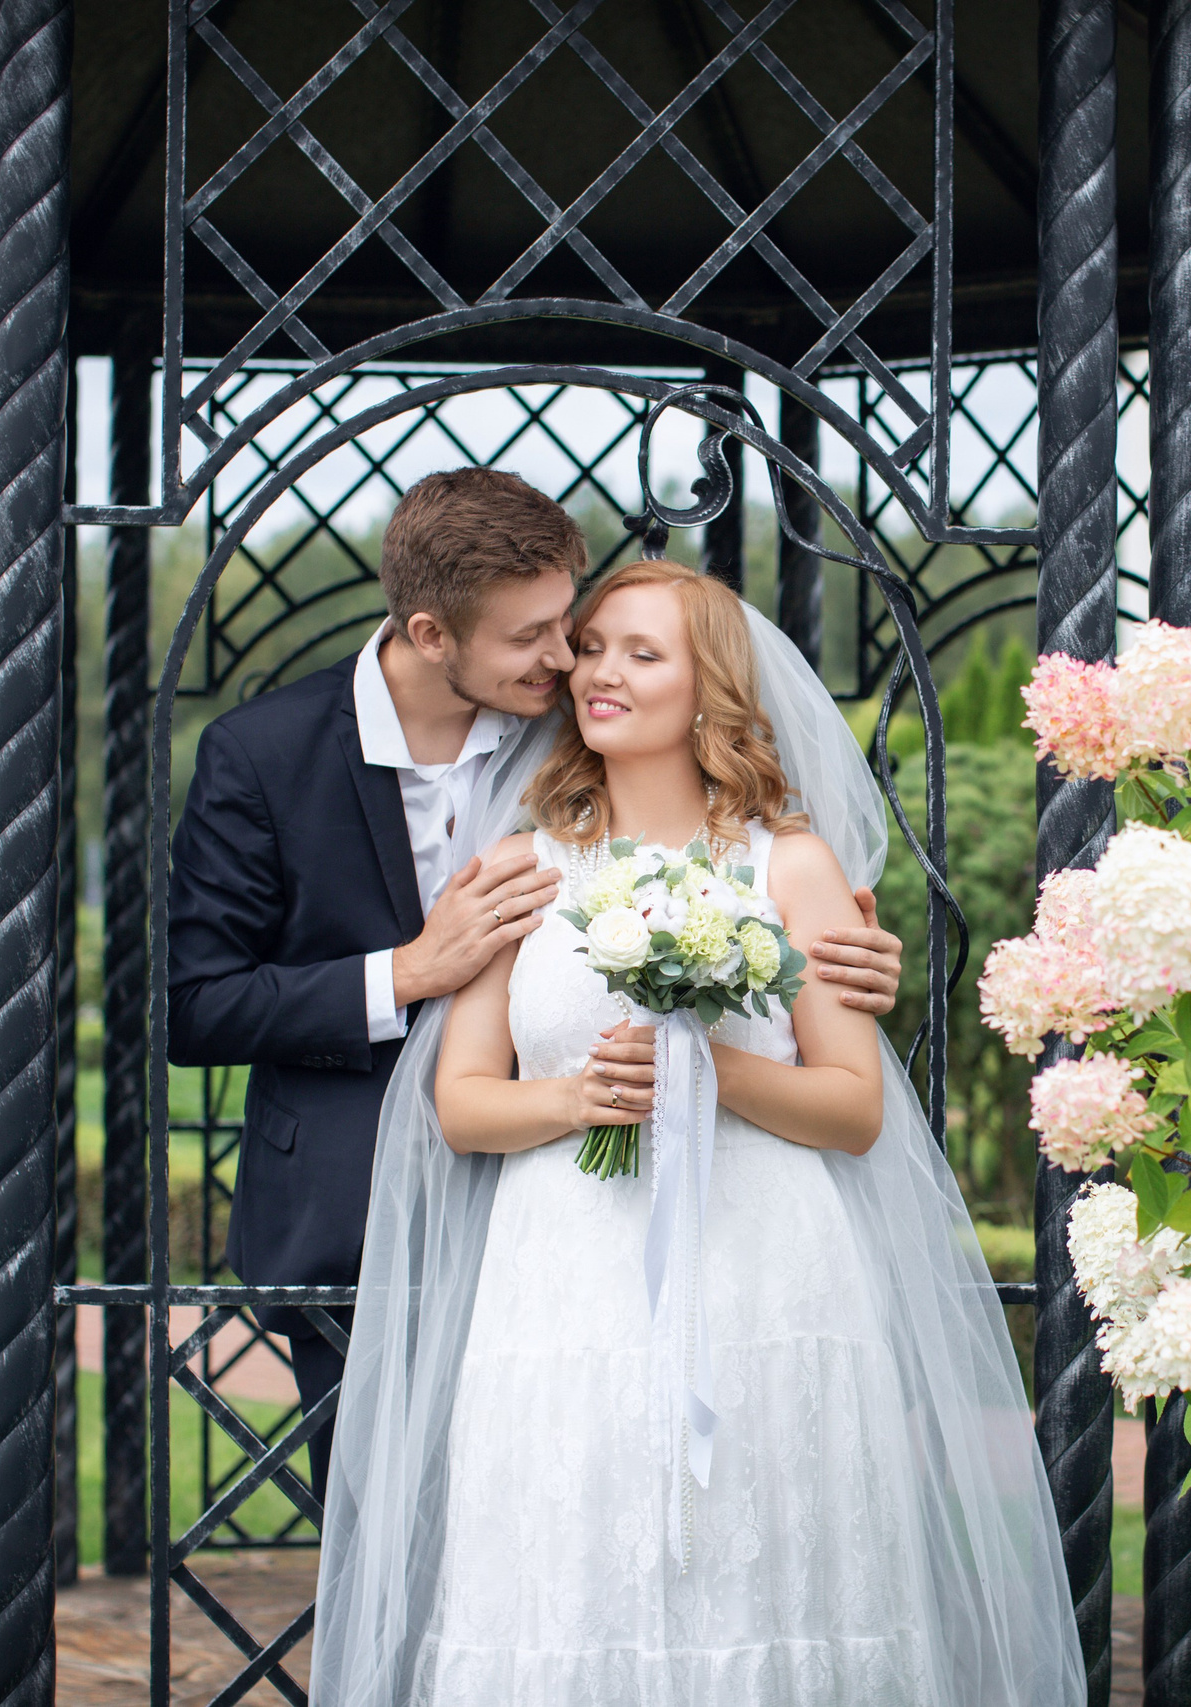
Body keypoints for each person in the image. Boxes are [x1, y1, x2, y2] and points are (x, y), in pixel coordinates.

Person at [309, 559, 1083, 1707]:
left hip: (762, 1270)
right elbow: (461, 1104)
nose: (600, 672)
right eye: (592, 647)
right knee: (573, 1560)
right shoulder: (521, 869)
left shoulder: (791, 867)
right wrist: (580, 1101)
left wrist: (708, 1069)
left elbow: (853, 1108)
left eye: (642, 653)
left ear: (708, 687)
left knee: (759, 1564)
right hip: (560, 1276)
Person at [164, 470, 905, 1498]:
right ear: (432, 635)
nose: (565, 659)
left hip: (605, 1223)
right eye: (536, 637)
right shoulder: (263, 755)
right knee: (392, 1521)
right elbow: (197, 1005)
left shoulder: (577, 712)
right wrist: (414, 971)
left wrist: (824, 945)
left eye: (571, 627)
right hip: (357, 1204)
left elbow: (722, 826)